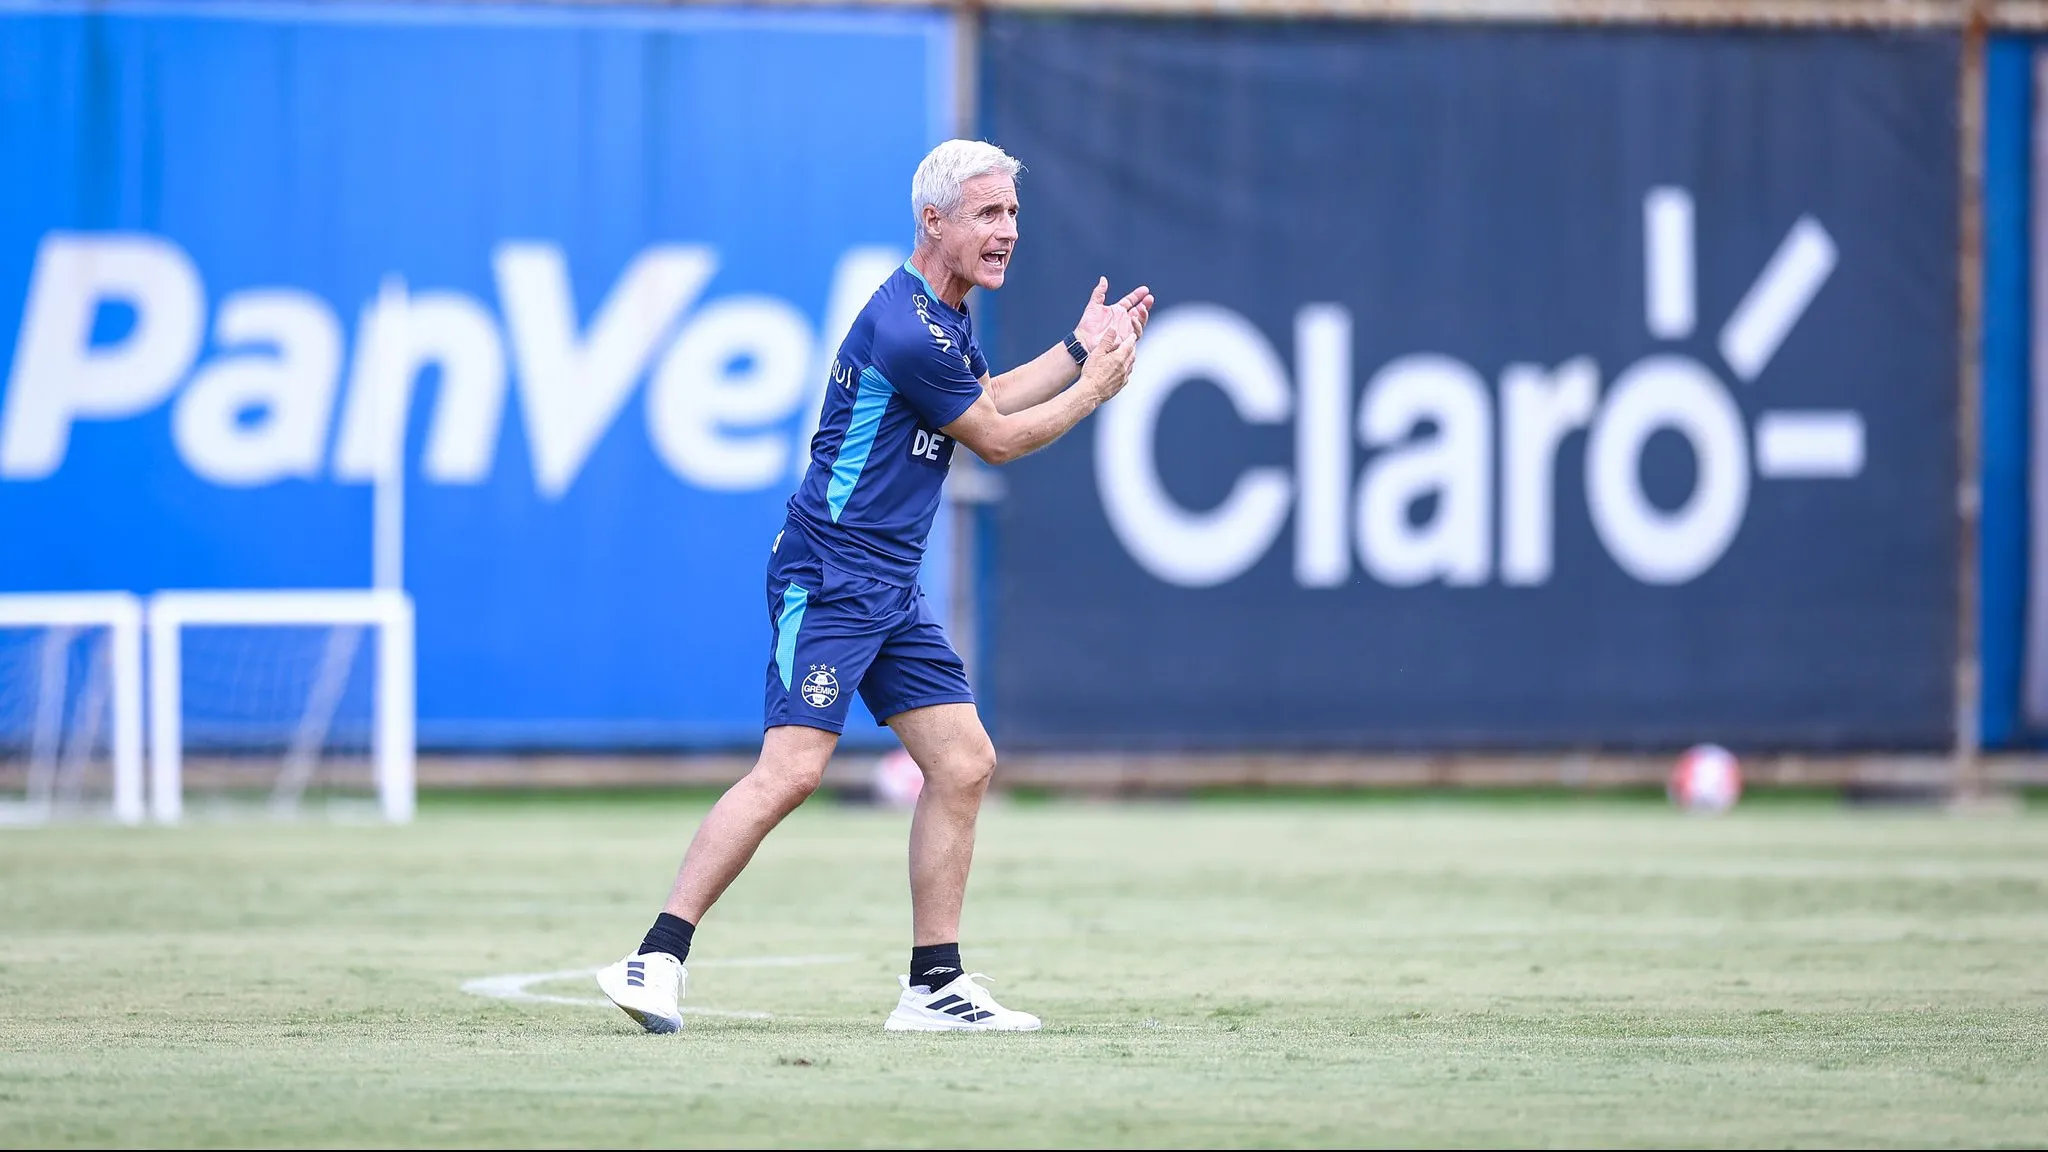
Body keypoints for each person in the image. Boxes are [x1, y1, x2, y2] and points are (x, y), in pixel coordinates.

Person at [596, 139, 1153, 1033]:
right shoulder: (907, 323)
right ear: (932, 221)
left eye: (1012, 212)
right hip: (828, 576)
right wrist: (1097, 385)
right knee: (791, 771)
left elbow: (988, 399)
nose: (1008, 229)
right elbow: (999, 440)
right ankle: (653, 957)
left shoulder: (944, 318)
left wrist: (1076, 347)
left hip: (888, 583)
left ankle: (935, 985)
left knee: (964, 762)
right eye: (988, 213)